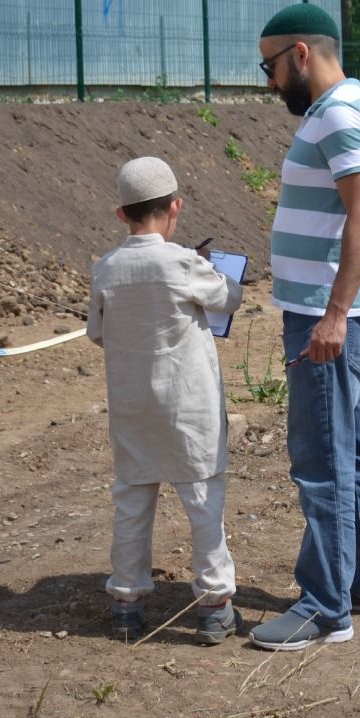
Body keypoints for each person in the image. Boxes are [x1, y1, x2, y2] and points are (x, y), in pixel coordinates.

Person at [247, 3, 360, 652]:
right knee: (359, 449)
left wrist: (334, 313)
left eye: (271, 66)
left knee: (322, 459)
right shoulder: (350, 107)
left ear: (301, 54)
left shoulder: (337, 113)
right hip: (339, 310)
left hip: (328, 316)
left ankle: (324, 606)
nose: (271, 82)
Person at [87, 157, 245, 644]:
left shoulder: (106, 269)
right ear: (175, 207)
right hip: (189, 408)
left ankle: (127, 602)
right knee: (202, 500)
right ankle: (215, 604)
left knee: (132, 501)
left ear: (121, 214)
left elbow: (97, 333)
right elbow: (229, 298)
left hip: (132, 408)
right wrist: (210, 269)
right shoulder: (182, 262)